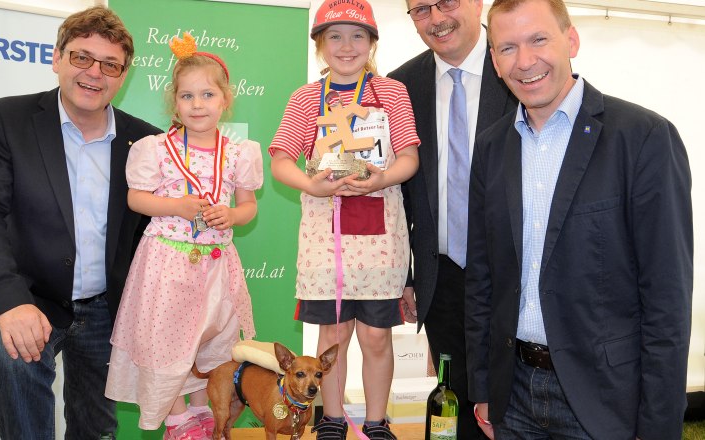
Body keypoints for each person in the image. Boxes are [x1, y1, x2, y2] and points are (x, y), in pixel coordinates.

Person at [465, 0, 693, 439]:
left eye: (538, 40)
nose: (525, 61)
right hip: (512, 398)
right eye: (507, 47)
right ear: (494, 60)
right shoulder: (493, 148)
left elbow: (667, 300)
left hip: (606, 402)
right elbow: (482, 278)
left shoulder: (643, 138)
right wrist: (483, 388)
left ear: (571, 40)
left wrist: (660, 423)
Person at [0, 6, 161, 439]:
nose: (94, 73)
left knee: (96, 429)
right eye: (81, 57)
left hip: (108, 308)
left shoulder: (147, 141)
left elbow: (154, 233)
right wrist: (8, 302)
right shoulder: (6, 120)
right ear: (56, 58)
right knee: (10, 358)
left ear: (123, 76)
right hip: (31, 299)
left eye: (110, 64)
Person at [269, 1, 420, 438]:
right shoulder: (304, 98)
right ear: (319, 44)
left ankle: (376, 422)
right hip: (324, 236)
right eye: (334, 35)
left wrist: (381, 178)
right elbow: (280, 160)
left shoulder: (391, 93)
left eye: (357, 36)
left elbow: (409, 157)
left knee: (376, 336)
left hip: (379, 235)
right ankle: (331, 418)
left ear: (373, 42)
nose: (346, 46)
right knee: (332, 332)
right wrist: (311, 185)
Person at [104, 32, 259, 440]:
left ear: (225, 99)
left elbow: (249, 207)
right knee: (166, 341)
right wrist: (176, 205)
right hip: (166, 263)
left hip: (215, 266)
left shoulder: (240, 153)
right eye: (187, 96)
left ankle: (201, 410)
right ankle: (175, 418)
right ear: (174, 102)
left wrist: (232, 215)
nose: (197, 104)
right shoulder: (156, 148)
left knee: (210, 340)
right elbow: (137, 199)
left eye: (207, 94)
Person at [387, 0, 516, 438]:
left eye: (446, 2)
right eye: (421, 9)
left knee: (514, 400)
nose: (436, 19)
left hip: (516, 275)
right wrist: (405, 273)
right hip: (440, 278)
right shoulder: (400, 86)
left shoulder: (520, 69)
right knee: (452, 401)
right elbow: (396, 193)